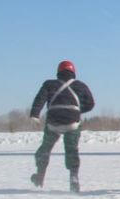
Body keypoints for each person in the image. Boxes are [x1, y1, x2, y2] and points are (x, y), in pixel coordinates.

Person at [28, 60, 95, 192]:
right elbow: (90, 104)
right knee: (72, 150)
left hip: (53, 122)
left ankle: (40, 176)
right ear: (73, 72)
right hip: (72, 122)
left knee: (45, 149)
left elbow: (40, 99)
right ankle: (74, 178)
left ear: (58, 72)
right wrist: (77, 110)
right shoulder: (80, 85)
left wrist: (34, 114)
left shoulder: (49, 84)